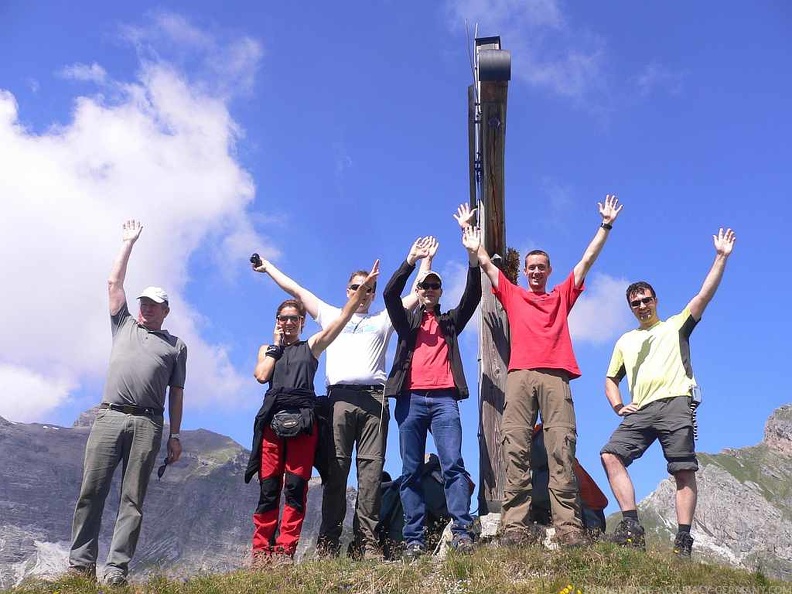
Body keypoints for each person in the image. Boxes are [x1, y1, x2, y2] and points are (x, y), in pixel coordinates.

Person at [251, 250, 433, 559]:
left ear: (375, 294)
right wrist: (267, 267)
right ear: (347, 290)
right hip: (337, 401)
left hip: (375, 399)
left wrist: (420, 260)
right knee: (335, 473)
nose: (362, 292)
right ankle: (329, 544)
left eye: (368, 288)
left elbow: (418, 291)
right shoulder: (330, 314)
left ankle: (368, 543)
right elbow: (295, 290)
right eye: (355, 287)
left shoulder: (383, 317)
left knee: (371, 474)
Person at [464, 196, 623, 547]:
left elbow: (587, 261)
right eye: (531, 267)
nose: (535, 271)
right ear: (524, 272)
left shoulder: (561, 296)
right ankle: (514, 528)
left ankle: (569, 528)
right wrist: (472, 241)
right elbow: (489, 267)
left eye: (541, 267)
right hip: (520, 375)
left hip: (556, 376)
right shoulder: (513, 294)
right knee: (516, 447)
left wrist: (605, 226)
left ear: (549, 271)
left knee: (560, 448)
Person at [600, 228, 736, 558]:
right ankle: (631, 526)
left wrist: (721, 257)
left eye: (646, 300)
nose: (642, 306)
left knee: (683, 469)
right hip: (641, 408)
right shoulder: (625, 341)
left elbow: (704, 295)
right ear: (630, 308)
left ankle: (683, 541)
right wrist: (619, 406)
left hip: (677, 402)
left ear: (656, 301)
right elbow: (609, 379)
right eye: (636, 303)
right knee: (610, 454)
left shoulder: (676, 325)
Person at [69, 220, 187, 586]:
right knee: (92, 490)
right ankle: (81, 565)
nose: (147, 309)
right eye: (144, 303)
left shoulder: (176, 346)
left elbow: (177, 392)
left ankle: (116, 569)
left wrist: (176, 434)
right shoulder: (123, 325)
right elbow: (113, 284)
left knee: (132, 499)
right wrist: (127, 242)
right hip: (110, 417)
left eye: (154, 305)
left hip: (149, 423)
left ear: (165, 310)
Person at [244, 262, 380, 563]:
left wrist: (359, 294)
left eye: (293, 319)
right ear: (277, 322)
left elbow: (342, 318)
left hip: (304, 422)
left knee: (295, 487)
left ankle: (284, 551)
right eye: (283, 319)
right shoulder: (267, 348)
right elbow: (261, 376)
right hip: (272, 423)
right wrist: (276, 345)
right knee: (268, 488)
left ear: (303, 322)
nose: (288, 323)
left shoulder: (313, 347)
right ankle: (260, 551)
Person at [384, 226, 482, 560]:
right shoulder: (407, 323)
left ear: (440, 292)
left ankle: (462, 532)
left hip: (444, 401)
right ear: (420, 290)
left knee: (453, 465)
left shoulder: (450, 321)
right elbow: (389, 296)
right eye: (425, 285)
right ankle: (414, 540)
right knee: (409, 470)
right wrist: (410, 262)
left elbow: (473, 296)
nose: (429, 289)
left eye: (434, 285)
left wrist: (472, 257)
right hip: (410, 401)